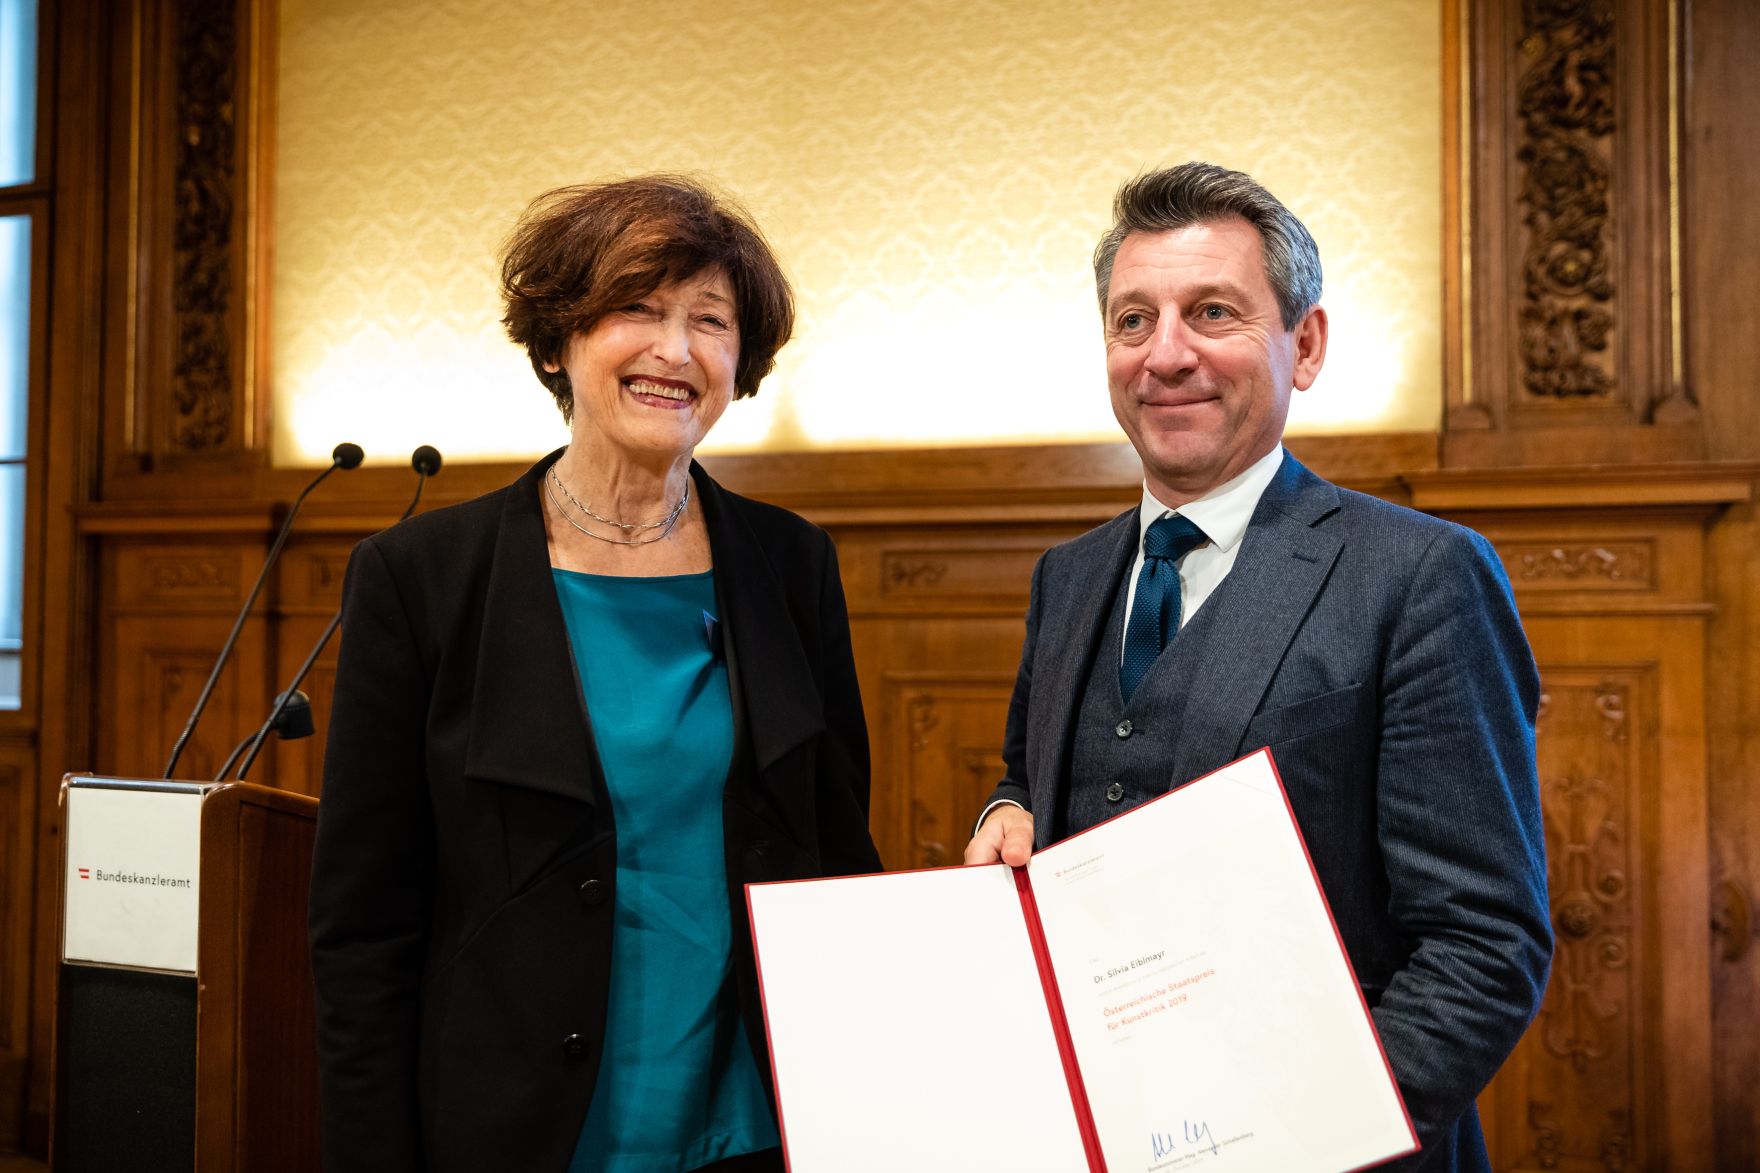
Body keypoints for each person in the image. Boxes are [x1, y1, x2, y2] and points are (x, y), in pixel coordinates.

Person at [963, 162, 1551, 1172]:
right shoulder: (1066, 577)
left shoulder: (1419, 575)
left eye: (1211, 312)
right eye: (1131, 320)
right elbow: (1036, 777)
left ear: (1304, 344)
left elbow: (1483, 944)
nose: (1166, 354)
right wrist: (1002, 814)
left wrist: (1299, 1145)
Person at [308, 175, 881, 1173]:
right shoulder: (422, 580)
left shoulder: (791, 566)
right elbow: (364, 928)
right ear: (557, 340)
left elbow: (839, 858)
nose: (676, 349)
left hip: (754, 1126)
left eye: (711, 320)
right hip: (515, 1129)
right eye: (638, 310)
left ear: (739, 364)